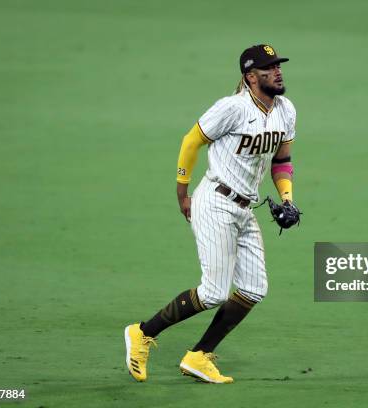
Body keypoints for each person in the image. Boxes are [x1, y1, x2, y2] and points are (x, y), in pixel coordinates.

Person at [124, 44, 297, 384]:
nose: (277, 72)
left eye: (278, 66)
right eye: (268, 68)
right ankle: (142, 333)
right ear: (250, 77)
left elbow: (281, 161)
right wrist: (181, 192)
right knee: (214, 291)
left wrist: (288, 199)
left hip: (246, 209)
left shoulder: (286, 110)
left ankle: (199, 356)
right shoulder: (232, 108)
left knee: (253, 288)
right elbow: (191, 141)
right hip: (215, 201)